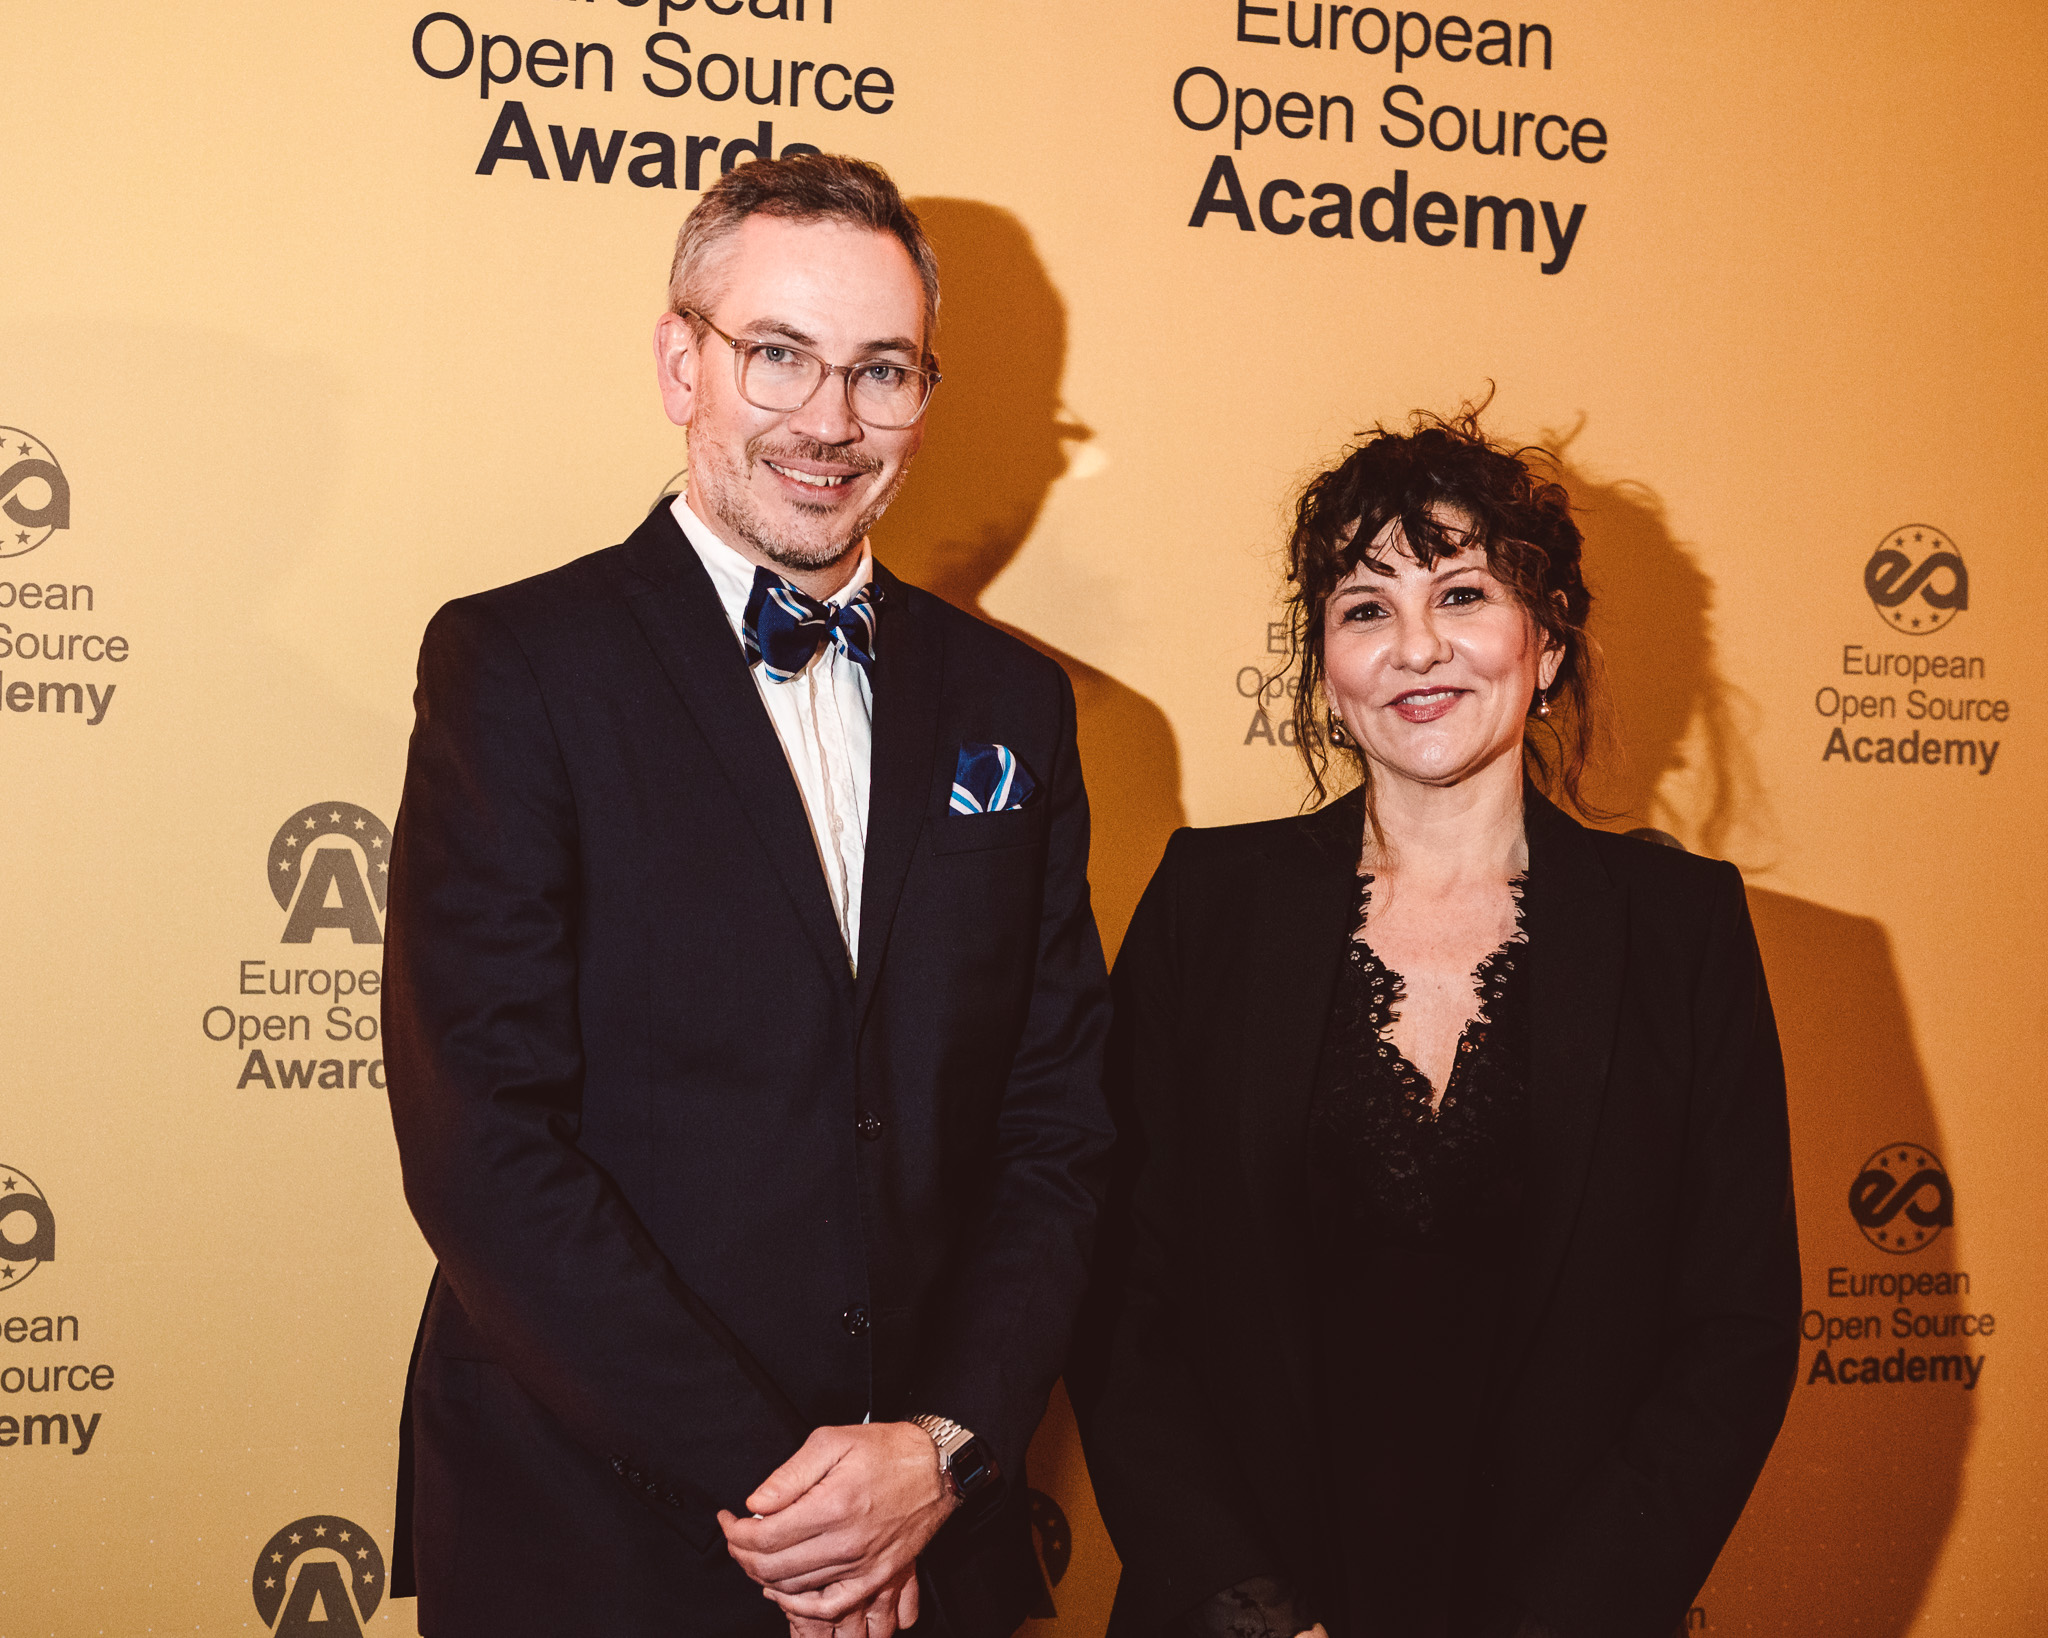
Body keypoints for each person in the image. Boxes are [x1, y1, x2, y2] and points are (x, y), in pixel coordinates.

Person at [382, 154, 1113, 1638]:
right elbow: (482, 1145)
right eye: (778, 354)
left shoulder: (1013, 704)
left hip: (928, 1536)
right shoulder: (517, 668)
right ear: (681, 364)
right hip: (595, 1534)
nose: (829, 422)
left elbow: (1057, 1131)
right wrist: (796, 1507)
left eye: (882, 370)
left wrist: (938, 1452)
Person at [1074, 407, 1800, 1638]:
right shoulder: (1208, 905)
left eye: (1460, 595)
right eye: (1365, 608)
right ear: (1324, 664)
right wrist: (1245, 1608)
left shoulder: (1680, 930)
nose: (1415, 648)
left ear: (1546, 642)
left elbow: (1733, 1327)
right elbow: (1114, 1297)